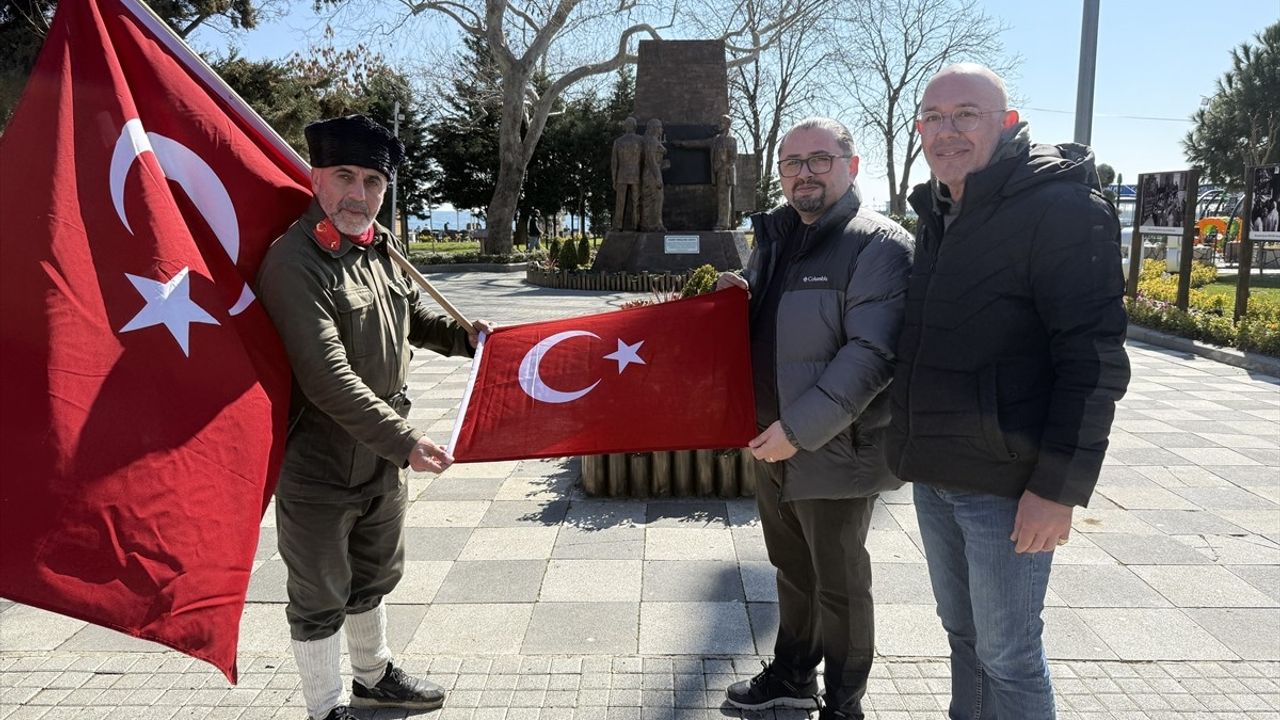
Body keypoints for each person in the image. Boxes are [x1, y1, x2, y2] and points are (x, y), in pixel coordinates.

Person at [885, 64, 1131, 720]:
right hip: (936, 473)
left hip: (1007, 489)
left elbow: (1094, 361)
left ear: (1009, 123)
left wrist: (1057, 489)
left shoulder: (1061, 208)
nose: (947, 130)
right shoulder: (938, 209)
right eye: (933, 118)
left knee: (1010, 655)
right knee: (963, 637)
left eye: (967, 114)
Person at [256, 115, 490, 720]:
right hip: (319, 464)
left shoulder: (380, 248)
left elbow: (416, 316)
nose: (358, 195)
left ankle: (373, 677)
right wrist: (406, 440)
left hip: (381, 463)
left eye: (373, 182)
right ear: (315, 178)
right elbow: (326, 377)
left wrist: (470, 340)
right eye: (344, 177)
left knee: (373, 574)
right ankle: (326, 705)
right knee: (318, 594)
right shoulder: (293, 262)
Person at [716, 117, 912, 720]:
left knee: (841, 586)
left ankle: (844, 704)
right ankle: (794, 676)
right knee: (792, 573)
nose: (804, 173)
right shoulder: (775, 239)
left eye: (820, 160)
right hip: (772, 444)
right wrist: (735, 297)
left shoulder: (879, 244)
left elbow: (873, 353)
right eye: (792, 162)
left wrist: (798, 431)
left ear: (851, 165)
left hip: (835, 447)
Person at [611, 116, 644, 230]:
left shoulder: (618, 142)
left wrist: (614, 179)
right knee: (636, 202)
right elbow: (644, 160)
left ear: (625, 127)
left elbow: (614, 163)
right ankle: (636, 224)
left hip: (621, 176)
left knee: (620, 203)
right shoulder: (641, 140)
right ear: (635, 127)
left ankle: (618, 225)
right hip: (636, 175)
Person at [639, 117, 669, 232]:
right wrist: (658, 177)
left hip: (654, 171)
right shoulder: (651, 141)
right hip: (652, 174)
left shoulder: (653, 140)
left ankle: (653, 223)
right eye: (660, 127)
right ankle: (654, 224)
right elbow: (651, 160)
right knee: (655, 198)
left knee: (655, 198)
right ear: (655, 128)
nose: (662, 129)